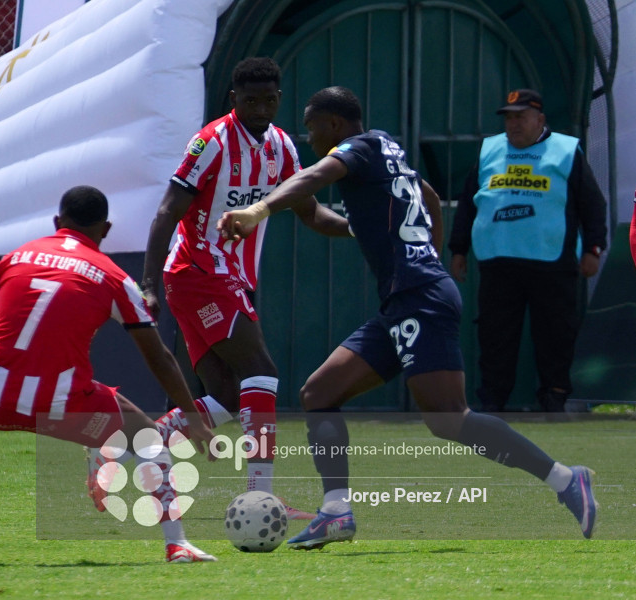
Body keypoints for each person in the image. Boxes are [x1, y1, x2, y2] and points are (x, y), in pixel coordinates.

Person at [217, 86, 599, 549]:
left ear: (334, 125)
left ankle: (565, 479)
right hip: (405, 300)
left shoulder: (356, 149)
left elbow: (316, 176)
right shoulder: (386, 147)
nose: (309, 137)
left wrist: (258, 209)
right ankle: (336, 512)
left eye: (312, 128)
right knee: (319, 393)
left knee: (448, 418)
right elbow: (426, 199)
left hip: (420, 298)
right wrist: (411, 246)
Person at [0, 186, 218, 564]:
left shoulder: (13, 259)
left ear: (57, 221)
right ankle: (177, 544)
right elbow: (159, 357)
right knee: (149, 441)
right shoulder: (114, 278)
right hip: (62, 408)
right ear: (105, 229)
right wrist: (192, 417)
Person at [133, 57, 350, 520]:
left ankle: (136, 447)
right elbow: (168, 211)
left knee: (229, 397)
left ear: (279, 99)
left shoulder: (281, 147)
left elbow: (311, 213)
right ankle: (260, 495)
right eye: (251, 101)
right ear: (234, 99)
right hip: (197, 272)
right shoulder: (211, 142)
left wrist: (359, 229)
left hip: (232, 279)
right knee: (262, 371)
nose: (261, 109)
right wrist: (147, 284)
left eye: (269, 100)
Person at [448, 89, 608, 413]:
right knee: (495, 335)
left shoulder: (565, 150)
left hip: (551, 260)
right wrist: (458, 249)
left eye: (521, 117)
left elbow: (592, 203)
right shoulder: (490, 149)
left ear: (540, 120)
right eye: (509, 117)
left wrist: (593, 248)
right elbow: (468, 202)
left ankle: (554, 396)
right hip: (498, 259)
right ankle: (493, 400)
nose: (514, 124)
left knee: (555, 331)